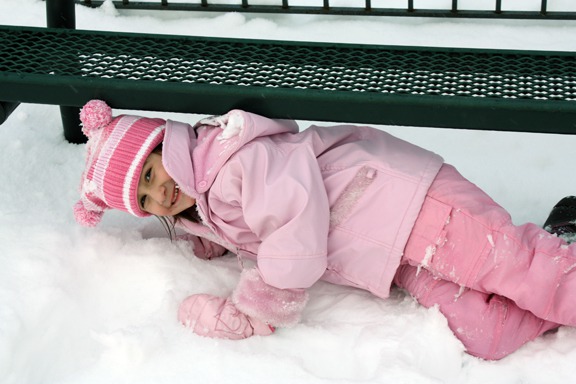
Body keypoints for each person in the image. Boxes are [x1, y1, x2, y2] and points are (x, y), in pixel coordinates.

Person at [74, 99, 576, 360]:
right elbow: (238, 220)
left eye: (149, 174)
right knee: (485, 334)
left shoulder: (233, 161)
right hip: (391, 260)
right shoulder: (207, 194)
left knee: (528, 275)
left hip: (415, 205)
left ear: (163, 146)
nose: (157, 193)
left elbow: (294, 227)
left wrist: (252, 311)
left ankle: (556, 265)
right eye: (142, 200)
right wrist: (207, 237)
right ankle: (565, 243)